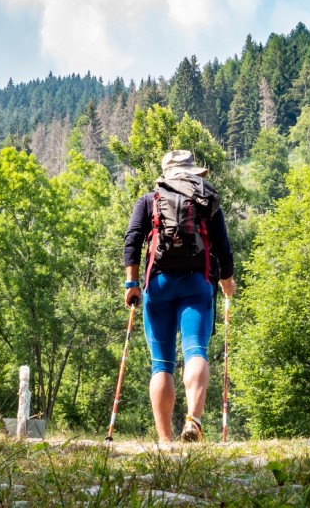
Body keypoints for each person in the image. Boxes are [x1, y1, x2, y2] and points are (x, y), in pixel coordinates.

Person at [123, 150, 237, 443]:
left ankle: (164, 441)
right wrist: (227, 280)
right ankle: (193, 420)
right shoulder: (205, 200)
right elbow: (223, 246)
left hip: (158, 285)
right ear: (191, 172)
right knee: (195, 350)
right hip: (196, 284)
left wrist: (131, 284)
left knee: (161, 364)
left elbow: (133, 239)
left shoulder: (150, 200)